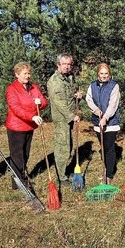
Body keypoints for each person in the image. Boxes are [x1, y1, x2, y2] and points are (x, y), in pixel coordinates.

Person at [5, 62, 48, 190]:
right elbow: (15, 108)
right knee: (17, 155)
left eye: (29, 73)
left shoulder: (33, 87)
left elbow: (43, 101)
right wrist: (32, 116)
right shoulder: (12, 89)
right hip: (16, 127)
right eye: (25, 73)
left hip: (29, 126)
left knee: (26, 153)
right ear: (17, 74)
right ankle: (18, 181)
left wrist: (40, 103)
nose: (28, 76)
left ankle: (22, 176)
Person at [47, 54, 83, 185]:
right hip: (62, 119)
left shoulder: (68, 78)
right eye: (64, 64)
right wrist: (72, 116)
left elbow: (69, 95)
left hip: (68, 119)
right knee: (63, 147)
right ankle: (61, 177)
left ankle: (65, 170)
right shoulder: (55, 81)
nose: (67, 67)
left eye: (69, 64)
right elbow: (59, 102)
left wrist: (77, 96)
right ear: (58, 65)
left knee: (69, 145)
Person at [86, 63, 121, 184]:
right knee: (103, 147)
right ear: (98, 74)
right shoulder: (92, 85)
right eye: (101, 73)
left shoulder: (114, 86)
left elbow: (113, 104)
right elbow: (88, 99)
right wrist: (96, 110)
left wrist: (105, 117)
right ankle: (105, 169)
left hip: (111, 123)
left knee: (109, 148)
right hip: (97, 121)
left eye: (106, 73)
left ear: (109, 74)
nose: (104, 76)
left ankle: (109, 175)